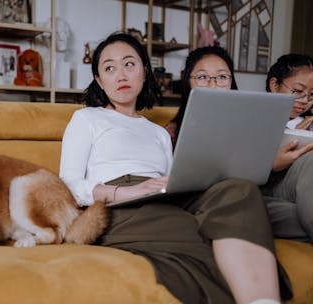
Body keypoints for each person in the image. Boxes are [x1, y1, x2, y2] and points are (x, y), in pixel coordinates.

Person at [60, 33, 290, 304]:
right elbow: (69, 184)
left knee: (239, 189)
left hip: (163, 197)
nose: (120, 74)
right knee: (198, 236)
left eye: (129, 64)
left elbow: (177, 179)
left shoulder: (158, 133)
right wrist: (125, 192)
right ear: (99, 80)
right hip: (117, 205)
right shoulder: (87, 118)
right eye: (109, 68)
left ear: (144, 72)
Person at [262, 53, 313, 242]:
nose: (305, 100)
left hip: (298, 192)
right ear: (274, 85)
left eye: (312, 95)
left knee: (298, 215)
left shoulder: (307, 121)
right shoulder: (254, 115)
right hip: (265, 189)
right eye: (298, 91)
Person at [165, 45, 238, 145]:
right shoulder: (171, 134)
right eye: (202, 77)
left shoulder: (245, 128)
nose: (212, 86)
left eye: (222, 76)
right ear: (188, 83)